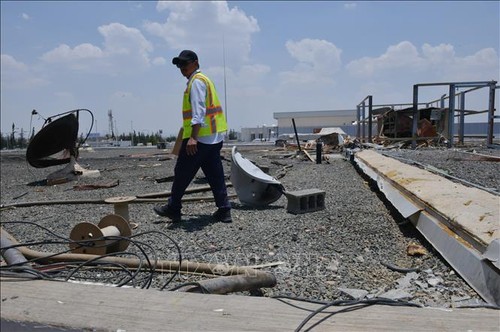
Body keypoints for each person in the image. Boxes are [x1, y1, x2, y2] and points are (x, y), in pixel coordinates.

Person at [154, 50, 232, 223]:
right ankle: (224, 210)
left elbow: (199, 112)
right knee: (215, 175)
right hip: (214, 138)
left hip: (200, 140)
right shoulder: (205, 80)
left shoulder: (196, 82)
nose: (182, 68)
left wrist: (192, 138)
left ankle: (173, 208)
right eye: (179, 65)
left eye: (185, 64)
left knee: (182, 173)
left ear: (195, 63)